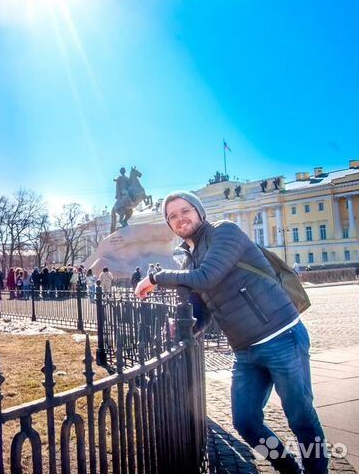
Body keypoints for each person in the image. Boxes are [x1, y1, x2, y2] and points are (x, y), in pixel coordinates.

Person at [135, 191, 327, 474]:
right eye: (172, 216)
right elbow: (204, 309)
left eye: (185, 210)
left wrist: (154, 278)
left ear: (199, 212)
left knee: (300, 416)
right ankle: (288, 468)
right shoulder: (188, 260)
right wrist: (184, 328)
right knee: (246, 422)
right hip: (245, 350)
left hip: (281, 335)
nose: (179, 218)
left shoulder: (226, 232)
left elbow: (207, 278)